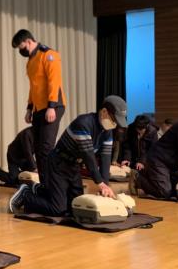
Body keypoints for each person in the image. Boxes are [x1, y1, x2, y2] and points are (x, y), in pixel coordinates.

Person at [8, 95, 127, 216]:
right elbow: (89, 156)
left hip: (74, 167)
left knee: (75, 206)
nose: (115, 124)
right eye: (114, 120)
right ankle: (25, 195)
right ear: (104, 112)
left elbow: (105, 160)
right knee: (58, 209)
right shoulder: (84, 123)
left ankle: (39, 190)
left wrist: (105, 185)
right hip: (58, 164)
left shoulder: (107, 133)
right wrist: (100, 184)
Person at [12, 29, 66, 184]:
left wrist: (51, 106)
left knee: (46, 149)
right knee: (39, 149)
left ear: (29, 41)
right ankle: (44, 184)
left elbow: (53, 82)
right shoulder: (30, 61)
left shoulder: (49, 55)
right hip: (38, 109)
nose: (21, 51)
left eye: (21, 47)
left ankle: (53, 184)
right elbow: (33, 87)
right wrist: (29, 108)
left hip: (53, 106)